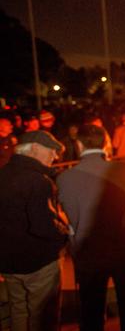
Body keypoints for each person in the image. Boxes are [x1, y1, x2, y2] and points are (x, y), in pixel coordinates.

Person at [57, 125, 125, 331]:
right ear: (106, 144)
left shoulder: (64, 178)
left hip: (88, 247)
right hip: (123, 243)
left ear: (78, 144)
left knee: (91, 308)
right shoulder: (124, 170)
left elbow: (69, 215)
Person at [0, 131, 68, 331]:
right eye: (52, 151)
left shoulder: (2, 174)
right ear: (35, 148)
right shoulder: (38, 181)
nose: (54, 157)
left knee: (18, 309)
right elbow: (43, 225)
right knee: (43, 314)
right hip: (38, 262)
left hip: (8, 261)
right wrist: (64, 235)